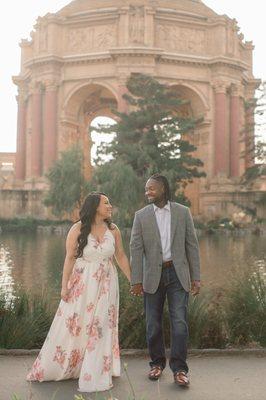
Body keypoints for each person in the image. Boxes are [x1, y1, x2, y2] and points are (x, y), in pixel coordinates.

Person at [27, 192, 131, 393]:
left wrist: (134, 281)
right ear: (95, 207)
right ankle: (72, 364)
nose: (110, 206)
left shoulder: (113, 230)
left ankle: (95, 370)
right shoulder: (77, 229)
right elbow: (69, 259)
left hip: (107, 285)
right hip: (82, 284)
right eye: (106, 203)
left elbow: (120, 256)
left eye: (110, 202)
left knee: (101, 325)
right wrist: (64, 286)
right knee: (77, 324)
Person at [130, 173, 200, 387]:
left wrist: (196, 277)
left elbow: (192, 245)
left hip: (178, 275)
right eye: (146, 189)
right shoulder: (141, 216)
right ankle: (156, 364)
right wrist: (136, 279)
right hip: (152, 276)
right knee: (153, 324)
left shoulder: (182, 212)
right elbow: (135, 248)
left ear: (163, 189)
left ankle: (179, 369)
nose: (147, 192)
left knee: (179, 324)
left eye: (151, 188)